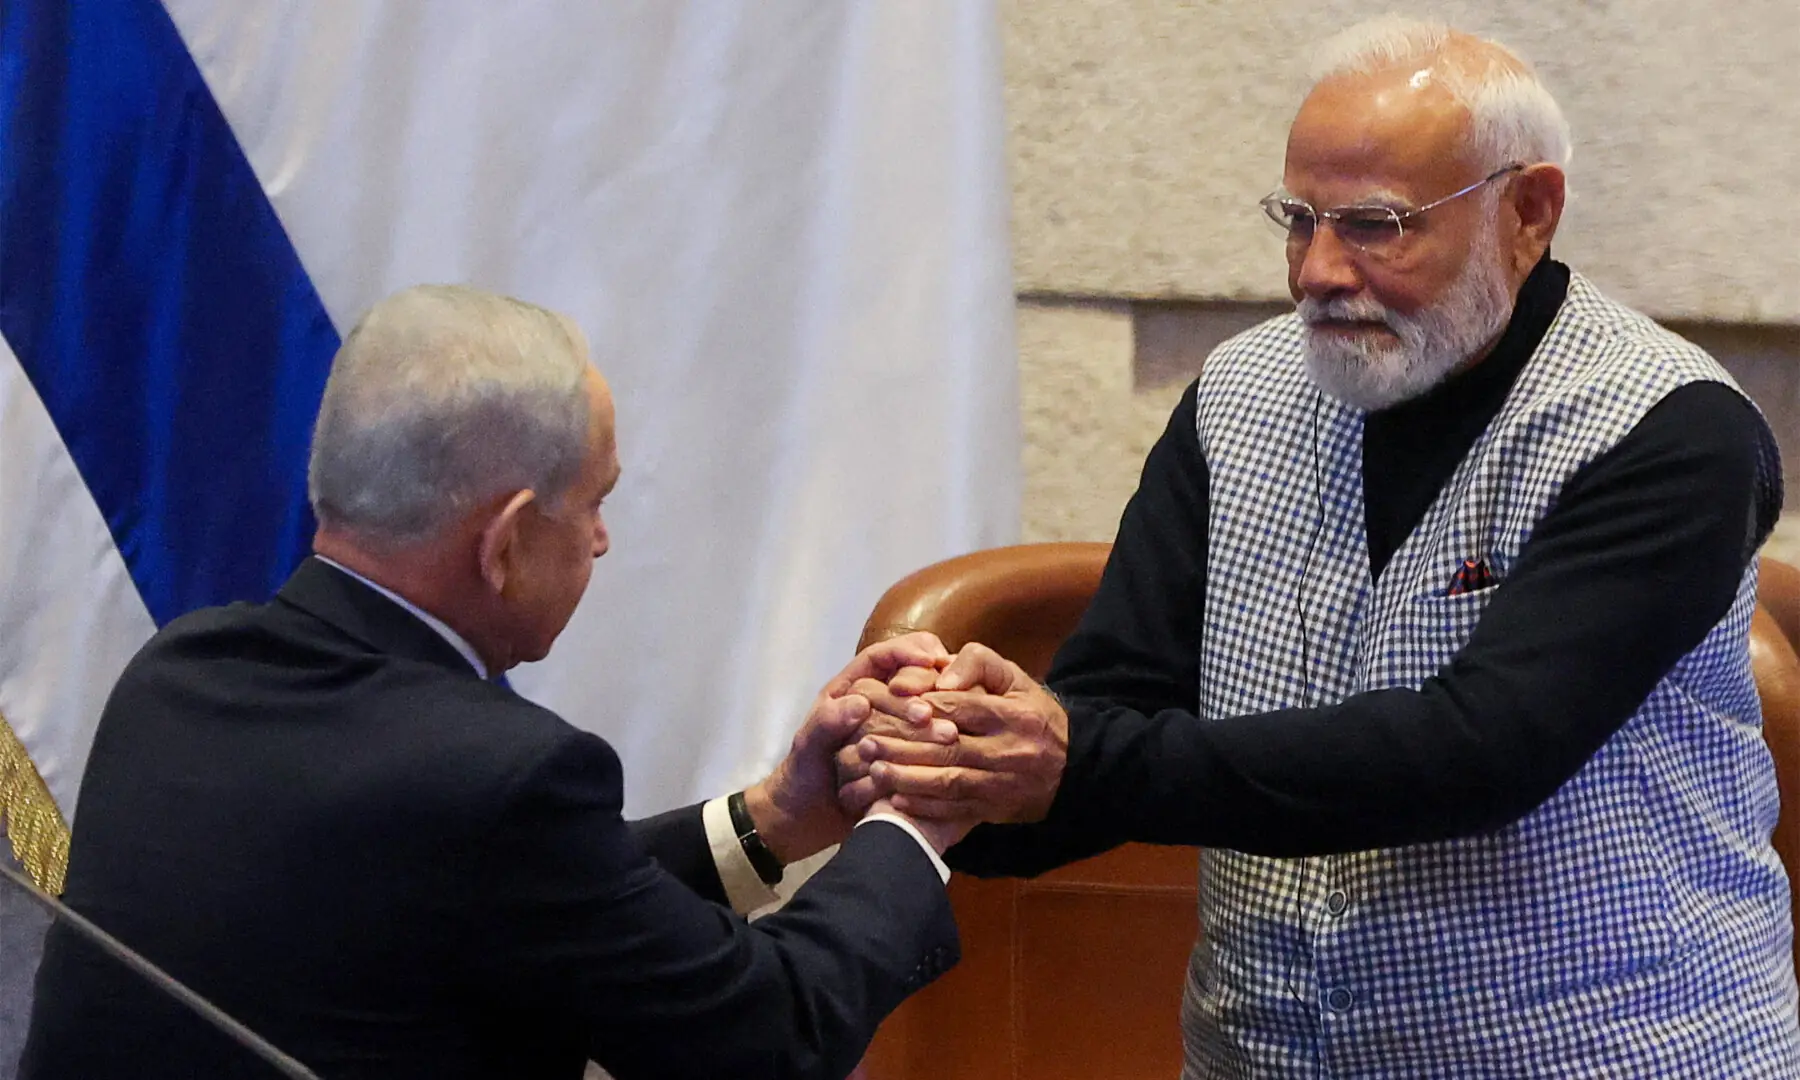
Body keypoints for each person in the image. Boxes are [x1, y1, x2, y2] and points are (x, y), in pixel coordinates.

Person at [842, 17, 1798, 1078]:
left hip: (1603, 1054)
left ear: (1528, 211)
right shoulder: (1241, 397)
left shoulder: (1669, 428)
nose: (1316, 271)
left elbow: (1481, 752)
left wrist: (1074, 757)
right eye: (1297, 220)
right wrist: (960, 765)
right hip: (1257, 1055)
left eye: (1377, 226)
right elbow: (1116, 703)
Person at [22, 284, 970, 1080]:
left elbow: (498, 893)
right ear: (507, 541)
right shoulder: (498, 776)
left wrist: (772, 817)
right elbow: (773, 1036)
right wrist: (914, 821)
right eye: (594, 501)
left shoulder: (176, 678)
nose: (602, 537)